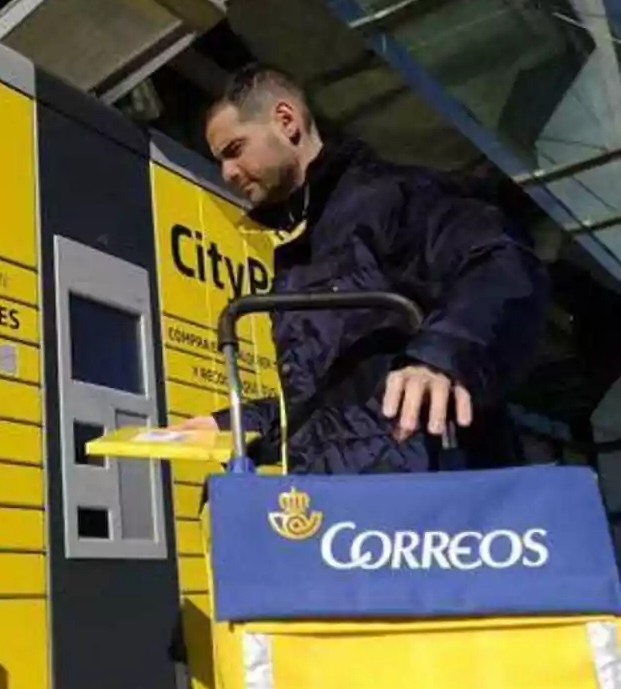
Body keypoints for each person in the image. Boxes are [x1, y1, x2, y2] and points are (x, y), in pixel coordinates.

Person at [173, 63, 550, 473]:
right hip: (342, 513)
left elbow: (502, 259)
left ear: (286, 121)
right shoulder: (298, 255)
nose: (227, 173)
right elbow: (333, 404)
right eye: (220, 161)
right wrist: (233, 423)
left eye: (234, 150)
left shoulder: (396, 197)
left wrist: (441, 357)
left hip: (427, 505)